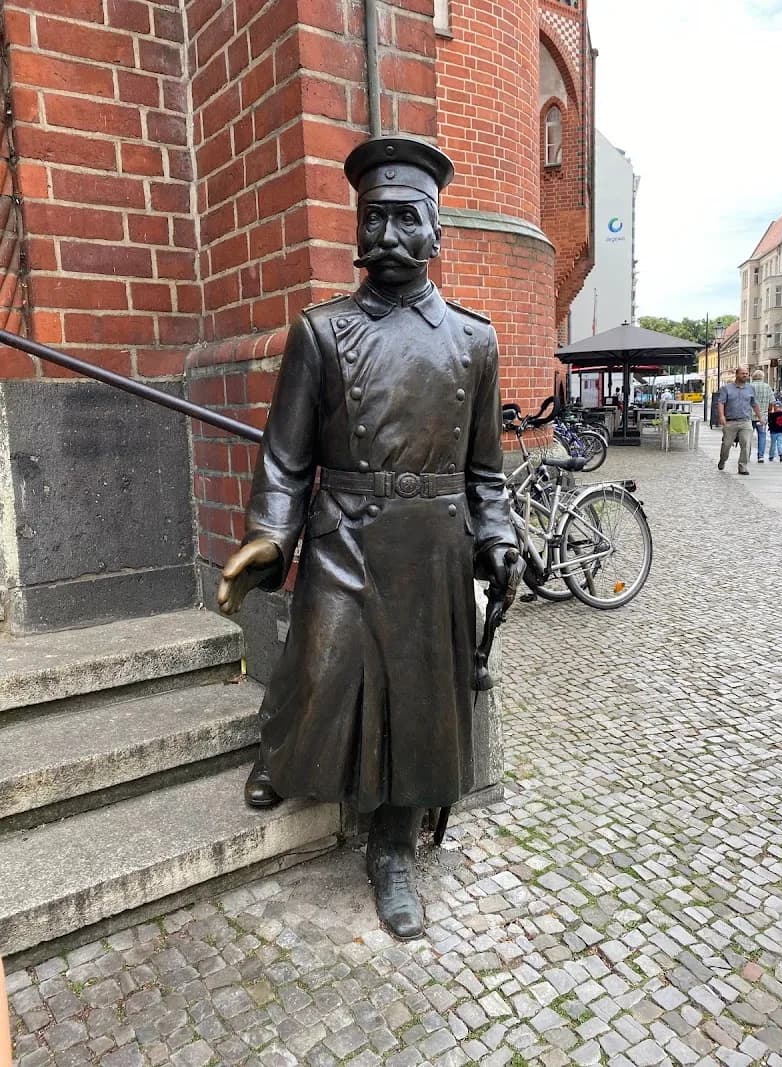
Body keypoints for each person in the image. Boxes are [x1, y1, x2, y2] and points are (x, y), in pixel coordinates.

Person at [216, 136, 522, 940]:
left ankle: (393, 849)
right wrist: (267, 537)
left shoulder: (474, 342)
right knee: (317, 667)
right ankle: (284, 757)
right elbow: (285, 460)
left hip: (434, 548)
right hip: (343, 532)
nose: (386, 234)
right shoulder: (321, 333)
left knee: (420, 707)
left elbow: (487, 472)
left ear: (436, 234)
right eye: (372, 218)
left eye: (403, 219)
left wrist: (498, 537)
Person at [717, 366, 763, 475]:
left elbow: (754, 404)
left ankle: (742, 466)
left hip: (746, 421)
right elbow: (721, 403)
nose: (745, 375)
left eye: (746, 374)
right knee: (726, 444)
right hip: (730, 421)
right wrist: (721, 416)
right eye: (743, 373)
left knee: (746, 444)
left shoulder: (750, 389)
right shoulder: (726, 388)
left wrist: (760, 417)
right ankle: (722, 460)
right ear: (736, 374)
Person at [749, 369, 775, 463]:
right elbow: (772, 402)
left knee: (748, 436)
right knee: (762, 436)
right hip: (763, 417)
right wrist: (769, 411)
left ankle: (747, 454)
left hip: (749, 416)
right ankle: (760, 456)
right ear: (762, 377)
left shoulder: (749, 387)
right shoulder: (767, 387)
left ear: (753, 377)